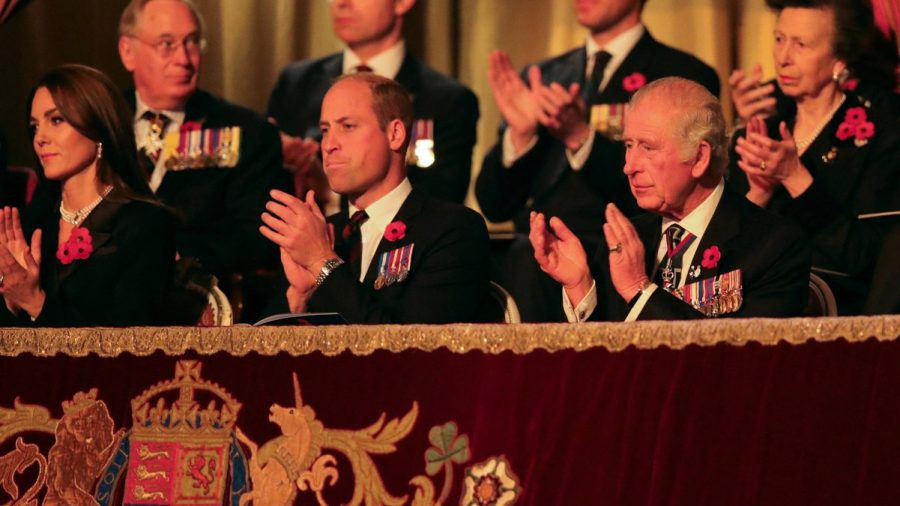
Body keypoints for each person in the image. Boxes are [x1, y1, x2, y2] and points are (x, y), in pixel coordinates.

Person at [474, 0, 720, 321]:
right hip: (537, 249)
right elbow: (494, 204)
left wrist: (580, 137)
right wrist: (520, 137)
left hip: (617, 244)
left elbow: (664, 190)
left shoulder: (679, 75)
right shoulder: (545, 76)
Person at [531, 77, 810, 321]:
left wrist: (641, 290)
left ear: (699, 157)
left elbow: (742, 360)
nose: (629, 166)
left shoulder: (773, 244)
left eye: (648, 148)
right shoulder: (625, 238)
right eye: (629, 145)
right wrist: (580, 286)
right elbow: (601, 360)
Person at [260, 74, 490, 324]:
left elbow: (413, 349)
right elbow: (261, 354)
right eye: (325, 130)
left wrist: (322, 263)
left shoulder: (452, 230)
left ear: (395, 134)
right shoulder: (322, 232)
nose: (328, 145)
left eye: (347, 126)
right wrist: (300, 300)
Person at [728, 0, 900, 315]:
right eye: (779, 39)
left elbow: (871, 259)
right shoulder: (762, 120)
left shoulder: (882, 127)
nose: (783, 58)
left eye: (801, 45)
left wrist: (795, 178)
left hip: (841, 310)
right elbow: (724, 250)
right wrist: (761, 190)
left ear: (839, 58)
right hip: (754, 301)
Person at [117, 0, 282, 279]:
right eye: (167, 44)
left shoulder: (247, 132)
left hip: (193, 295)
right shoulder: (94, 123)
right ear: (128, 52)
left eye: (192, 42)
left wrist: (166, 256)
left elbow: (255, 237)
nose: (183, 58)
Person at [0, 64, 174, 327]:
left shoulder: (146, 224)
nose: (40, 138)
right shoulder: (31, 222)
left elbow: (130, 344)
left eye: (56, 120)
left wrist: (36, 303)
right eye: (35, 126)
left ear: (98, 127)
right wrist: (10, 301)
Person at [267, 0, 478, 206]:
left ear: (402, 3)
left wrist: (330, 192)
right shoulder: (296, 84)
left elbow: (442, 202)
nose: (341, 3)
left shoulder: (447, 100)